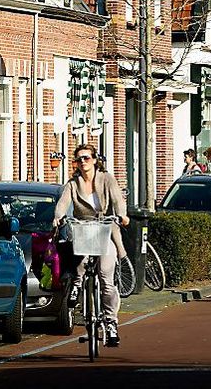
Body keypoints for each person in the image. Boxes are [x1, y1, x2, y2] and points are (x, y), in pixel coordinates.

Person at [53, 143, 130, 347]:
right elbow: (63, 203)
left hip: (105, 230)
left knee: (106, 277)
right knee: (80, 259)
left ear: (95, 160)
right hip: (83, 230)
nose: (83, 162)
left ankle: (111, 324)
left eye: (86, 158)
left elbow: (118, 199)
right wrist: (58, 217)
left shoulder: (107, 179)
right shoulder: (72, 183)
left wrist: (122, 215)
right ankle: (77, 285)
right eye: (79, 159)